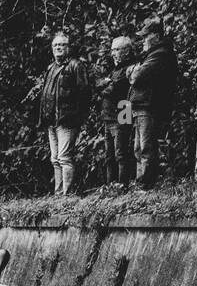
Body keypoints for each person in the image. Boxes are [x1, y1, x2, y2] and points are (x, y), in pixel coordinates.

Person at [38, 32, 93, 196]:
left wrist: (77, 116)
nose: (58, 48)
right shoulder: (51, 67)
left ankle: (66, 194)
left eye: (62, 45)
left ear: (68, 47)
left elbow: (85, 93)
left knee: (64, 157)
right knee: (55, 159)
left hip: (67, 120)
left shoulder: (76, 66)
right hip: (51, 121)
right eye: (55, 45)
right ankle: (58, 193)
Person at [128, 19, 179, 187]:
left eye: (145, 37)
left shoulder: (161, 54)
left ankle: (147, 183)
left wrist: (134, 71)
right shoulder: (153, 54)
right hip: (141, 106)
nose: (143, 41)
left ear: (156, 36)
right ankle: (143, 181)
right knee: (139, 148)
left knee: (146, 147)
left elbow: (136, 77)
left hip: (149, 106)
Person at [95, 34, 136, 186]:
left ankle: (122, 185)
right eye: (112, 50)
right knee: (109, 155)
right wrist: (105, 85)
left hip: (123, 110)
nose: (113, 53)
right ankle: (110, 185)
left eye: (117, 50)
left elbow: (114, 89)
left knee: (121, 152)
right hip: (109, 115)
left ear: (126, 51)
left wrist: (106, 85)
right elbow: (100, 86)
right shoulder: (115, 69)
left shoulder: (129, 67)